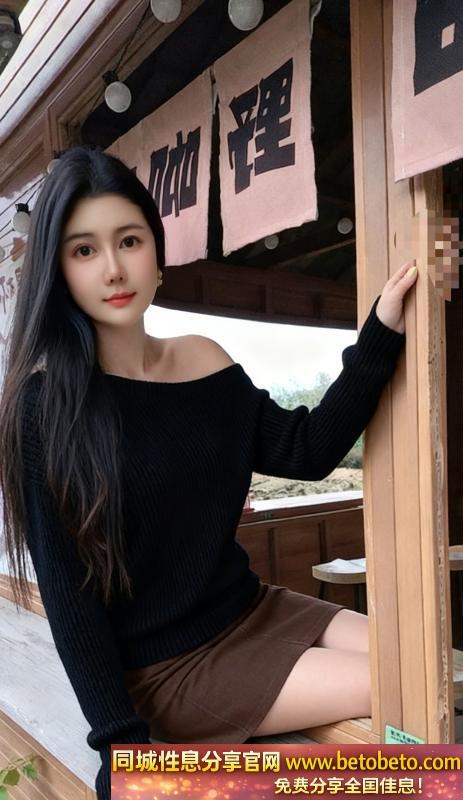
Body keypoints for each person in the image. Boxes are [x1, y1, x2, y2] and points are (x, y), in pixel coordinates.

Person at [0, 145, 418, 800]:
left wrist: (380, 335)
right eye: (84, 250)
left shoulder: (204, 359)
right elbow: (69, 596)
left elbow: (306, 451)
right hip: (171, 668)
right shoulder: (45, 406)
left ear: (156, 254)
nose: (113, 268)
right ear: (58, 268)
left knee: (422, 654)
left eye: (129, 240)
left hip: (254, 609)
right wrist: (121, 750)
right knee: (403, 684)